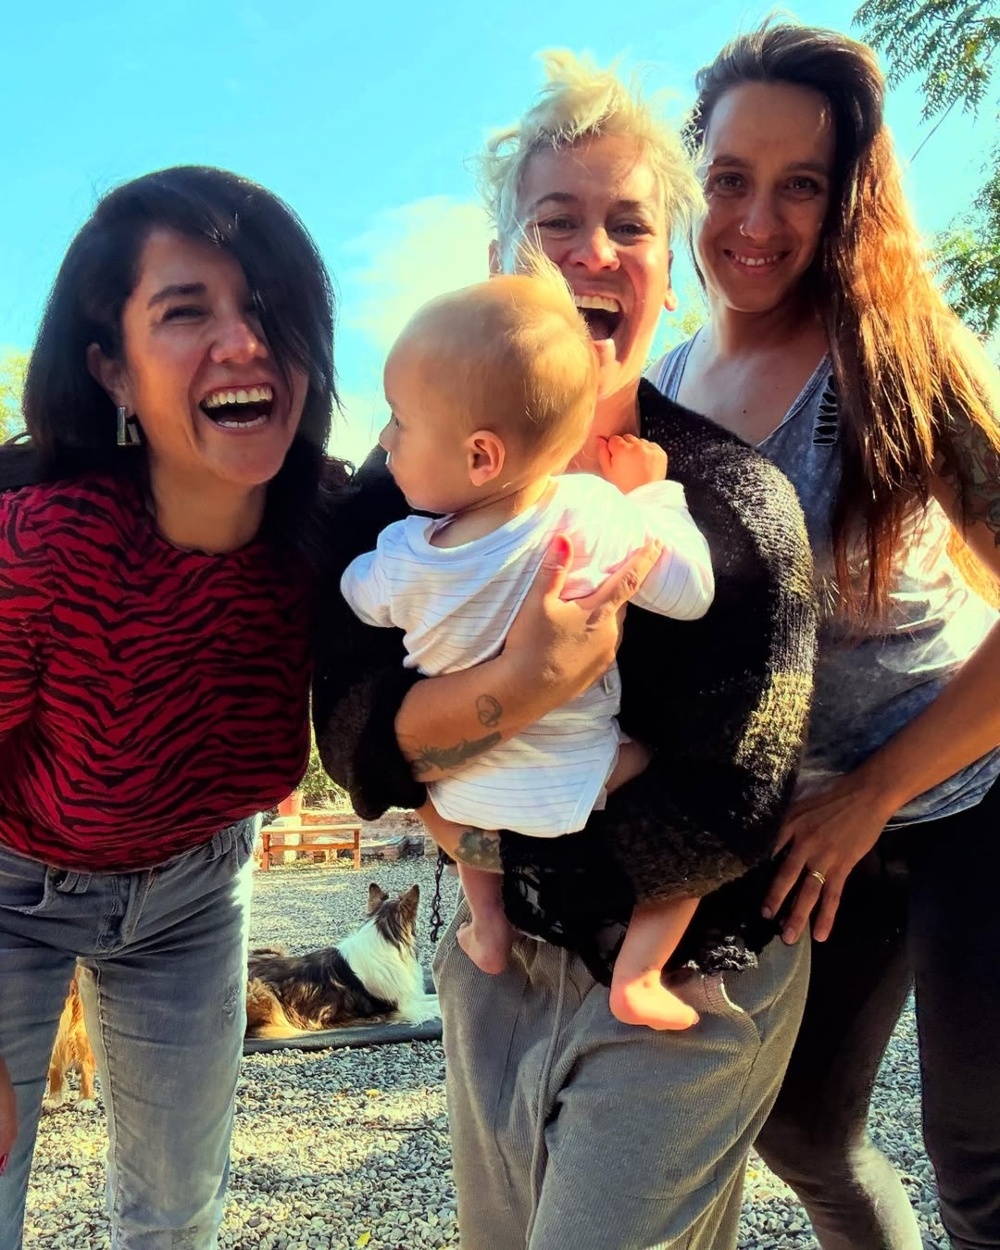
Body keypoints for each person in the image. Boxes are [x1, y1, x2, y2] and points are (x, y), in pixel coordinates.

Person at [313, 52, 817, 1249]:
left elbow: (734, 795)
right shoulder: (394, 497)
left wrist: (483, 815)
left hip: (688, 965)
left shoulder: (728, 505)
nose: (593, 251)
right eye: (556, 222)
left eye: (629, 225)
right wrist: (523, 687)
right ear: (503, 261)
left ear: (669, 274)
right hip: (494, 970)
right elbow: (346, 729)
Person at [648, 22, 1000, 1249]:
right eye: (729, 178)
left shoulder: (896, 363)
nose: (757, 219)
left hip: (966, 792)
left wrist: (873, 792)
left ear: (845, 198)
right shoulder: (656, 388)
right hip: (799, 825)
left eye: (800, 184)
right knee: (798, 1130)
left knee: (982, 1153)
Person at [0, 165, 339, 1248]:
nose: (243, 342)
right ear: (113, 367)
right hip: (12, 889)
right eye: (186, 312)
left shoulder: (332, 537)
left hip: (195, 893)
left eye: (268, 307)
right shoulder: (42, 546)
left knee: (176, 1214)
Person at [340, 266, 715, 1030]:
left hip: (459, 801)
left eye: (398, 421)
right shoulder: (591, 515)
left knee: (447, 814)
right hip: (579, 782)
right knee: (697, 804)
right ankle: (640, 972)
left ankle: (487, 926)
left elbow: (356, 595)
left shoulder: (405, 552)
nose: (383, 439)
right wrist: (652, 494)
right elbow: (691, 591)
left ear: (481, 456)